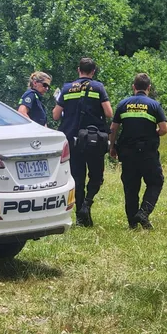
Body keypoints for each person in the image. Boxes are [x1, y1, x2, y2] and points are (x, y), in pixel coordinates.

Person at [53, 57, 113, 227]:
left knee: (77, 178)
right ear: (93, 71)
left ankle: (80, 216)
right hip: (94, 139)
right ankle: (87, 203)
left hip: (72, 140)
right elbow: (108, 113)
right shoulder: (98, 87)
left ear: (78, 70)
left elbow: (56, 116)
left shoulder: (66, 88)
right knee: (96, 176)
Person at [109, 73, 167, 230]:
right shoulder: (154, 105)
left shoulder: (123, 104)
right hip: (147, 153)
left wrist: (112, 147)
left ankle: (132, 223)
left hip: (127, 153)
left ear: (133, 87)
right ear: (149, 88)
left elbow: (113, 128)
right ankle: (143, 212)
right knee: (155, 182)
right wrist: (153, 133)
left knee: (130, 187)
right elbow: (164, 129)